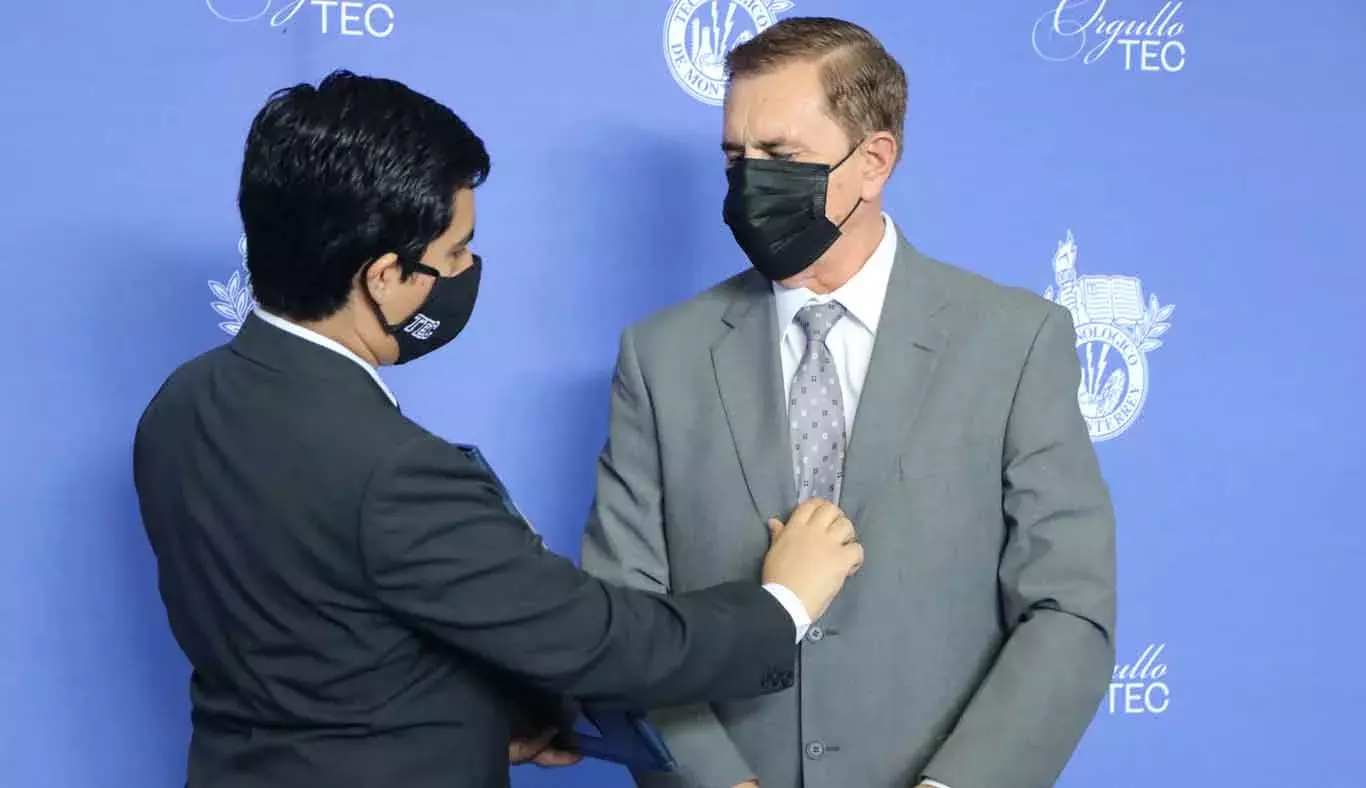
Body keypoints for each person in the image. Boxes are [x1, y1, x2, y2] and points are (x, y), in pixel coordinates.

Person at [131, 70, 864, 788]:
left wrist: (475, 719)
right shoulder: (394, 474)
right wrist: (783, 603)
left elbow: (318, 645)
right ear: (385, 278)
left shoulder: (183, 403)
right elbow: (599, 642)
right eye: (455, 252)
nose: (469, 268)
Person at [580, 16, 1117, 788]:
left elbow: (1069, 609)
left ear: (874, 161)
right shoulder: (660, 356)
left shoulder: (1015, 342)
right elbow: (625, 614)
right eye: (735, 156)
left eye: (781, 156)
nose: (748, 180)